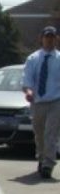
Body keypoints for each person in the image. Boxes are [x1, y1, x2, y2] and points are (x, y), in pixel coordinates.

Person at [22, 26, 60, 179]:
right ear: (41, 39)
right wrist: (29, 91)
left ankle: (48, 164)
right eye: (47, 37)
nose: (49, 40)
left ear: (56, 39)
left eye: (52, 37)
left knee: (51, 133)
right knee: (39, 134)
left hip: (56, 102)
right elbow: (27, 79)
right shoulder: (33, 59)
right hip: (38, 102)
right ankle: (42, 158)